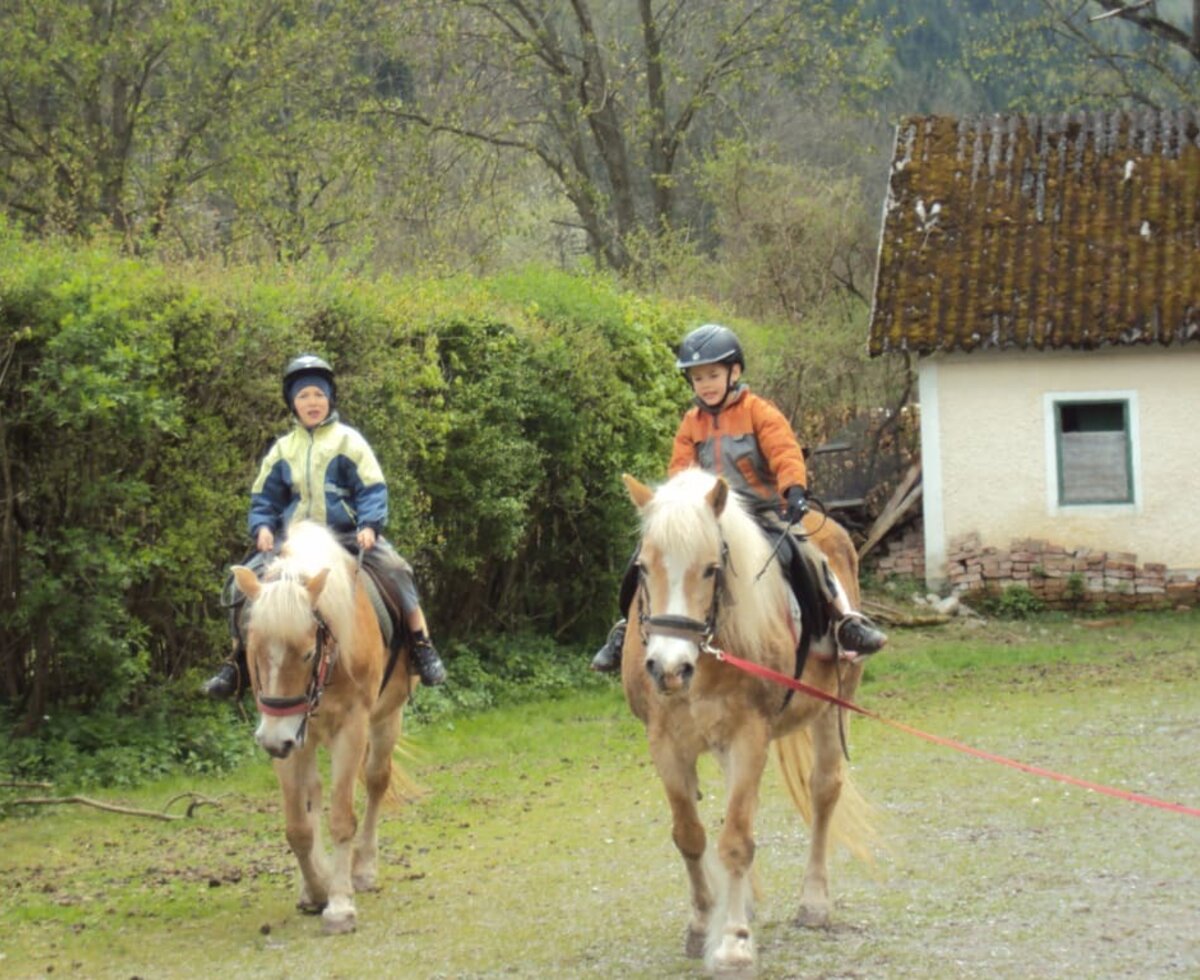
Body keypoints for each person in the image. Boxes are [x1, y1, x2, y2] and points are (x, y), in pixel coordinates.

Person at [591, 323, 887, 672]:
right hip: (709, 519)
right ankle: (626, 629)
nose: (706, 385)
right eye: (698, 378)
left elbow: (784, 451)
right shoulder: (691, 423)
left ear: (735, 372)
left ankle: (844, 620)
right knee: (644, 557)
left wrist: (793, 490)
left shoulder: (758, 411)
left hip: (762, 512)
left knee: (807, 552)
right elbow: (680, 472)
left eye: (713, 375)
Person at [202, 353, 446, 696]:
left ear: (330, 397)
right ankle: (237, 659)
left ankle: (421, 644)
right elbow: (264, 498)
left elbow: (372, 487)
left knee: (397, 570)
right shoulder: (282, 449)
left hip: (347, 538)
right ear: (292, 403)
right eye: (303, 396)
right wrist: (263, 528)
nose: (312, 402)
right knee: (238, 585)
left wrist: (370, 524)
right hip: (294, 544)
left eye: (318, 394)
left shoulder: (349, 441)